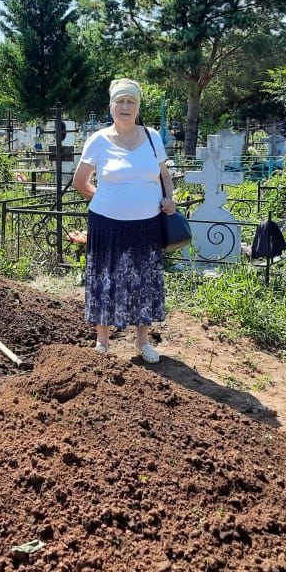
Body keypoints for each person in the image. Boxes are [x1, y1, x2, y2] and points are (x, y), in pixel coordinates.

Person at [72, 78, 178, 363]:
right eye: (120, 102)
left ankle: (142, 341)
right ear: (111, 107)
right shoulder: (99, 140)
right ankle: (103, 342)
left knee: (143, 279)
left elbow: (164, 176)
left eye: (131, 102)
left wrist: (169, 198)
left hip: (147, 224)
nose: (125, 107)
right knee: (106, 279)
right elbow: (80, 181)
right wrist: (104, 199)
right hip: (107, 225)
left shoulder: (153, 137)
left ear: (138, 107)